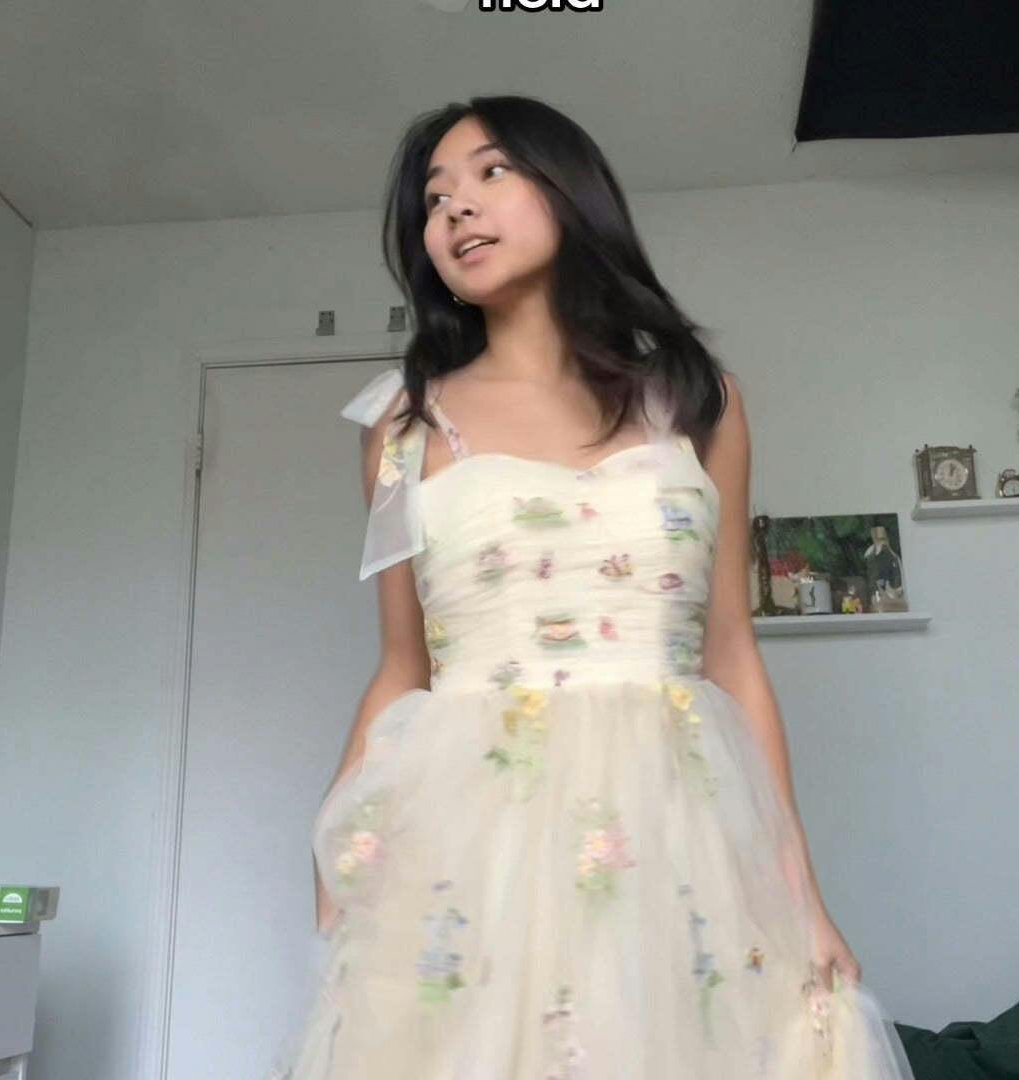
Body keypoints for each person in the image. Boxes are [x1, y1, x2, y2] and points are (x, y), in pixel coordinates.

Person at [268, 94, 915, 1079]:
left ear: (570, 191)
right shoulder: (403, 428)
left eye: (491, 172)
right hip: (471, 849)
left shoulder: (698, 401)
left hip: (677, 835)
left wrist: (803, 894)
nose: (456, 208)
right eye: (434, 199)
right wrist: (336, 856)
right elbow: (402, 667)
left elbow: (732, 654)